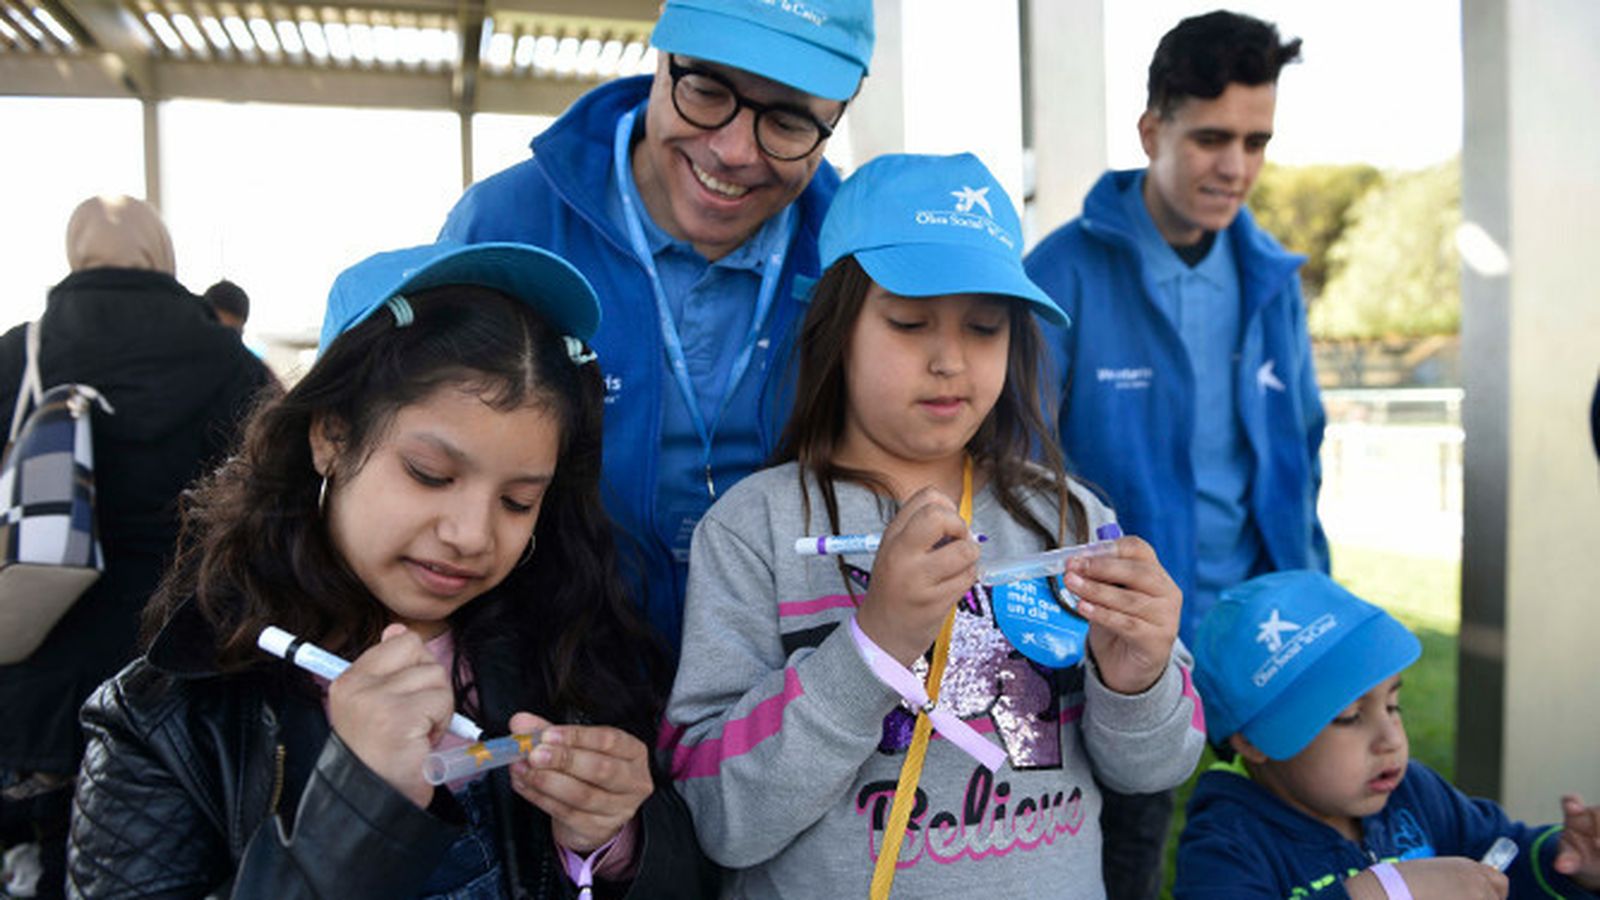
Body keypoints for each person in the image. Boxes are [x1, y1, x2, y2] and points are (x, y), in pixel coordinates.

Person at [67, 242, 716, 898]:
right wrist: (356, 805)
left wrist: (618, 842)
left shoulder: (570, 651)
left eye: (519, 501)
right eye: (429, 475)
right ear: (330, 437)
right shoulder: (163, 719)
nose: (470, 535)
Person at [664, 153, 1205, 898]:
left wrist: (1137, 677)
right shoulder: (755, 529)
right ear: (836, 328)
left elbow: (1153, 768)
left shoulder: (1072, 518)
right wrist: (871, 646)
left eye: (985, 329)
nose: (950, 361)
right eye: (910, 323)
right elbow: (719, 816)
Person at [439, 0, 874, 649]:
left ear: (837, 115)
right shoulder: (509, 227)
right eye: (705, 90)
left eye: (786, 121)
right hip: (545, 672)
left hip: (774, 692)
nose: (731, 152)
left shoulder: (855, 260)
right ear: (661, 57)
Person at [1023, 12, 1324, 896]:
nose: (1236, 166)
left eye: (1256, 141)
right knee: (1128, 867)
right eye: (1212, 137)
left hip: (1264, 639)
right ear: (1153, 129)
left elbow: (1300, 458)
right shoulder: (1063, 272)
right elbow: (1021, 472)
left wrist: (1314, 592)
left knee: (1283, 860)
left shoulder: (1272, 279)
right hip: (1122, 655)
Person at [0, 195, 274, 900]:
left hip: (43, 638)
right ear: (161, 253)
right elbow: (273, 491)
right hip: (180, 646)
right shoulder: (226, 359)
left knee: (55, 834)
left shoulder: (20, 351)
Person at [1177, 569, 1600, 899]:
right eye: (1348, 716)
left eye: (1393, 705)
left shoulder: (1415, 795)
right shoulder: (1228, 847)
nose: (1391, 739)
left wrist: (1567, 861)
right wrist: (1382, 892)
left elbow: (1503, 854)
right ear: (1253, 741)